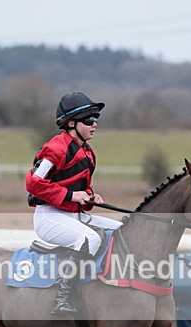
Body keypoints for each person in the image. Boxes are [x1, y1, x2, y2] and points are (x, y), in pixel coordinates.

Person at [25, 92, 122, 314]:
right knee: (89, 238)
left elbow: (82, 189)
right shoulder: (55, 149)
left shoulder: (88, 152)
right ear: (71, 124)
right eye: (88, 120)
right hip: (49, 216)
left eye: (96, 118)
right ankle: (63, 297)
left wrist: (90, 196)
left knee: (121, 230)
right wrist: (70, 196)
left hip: (73, 215)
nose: (94, 124)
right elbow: (34, 182)